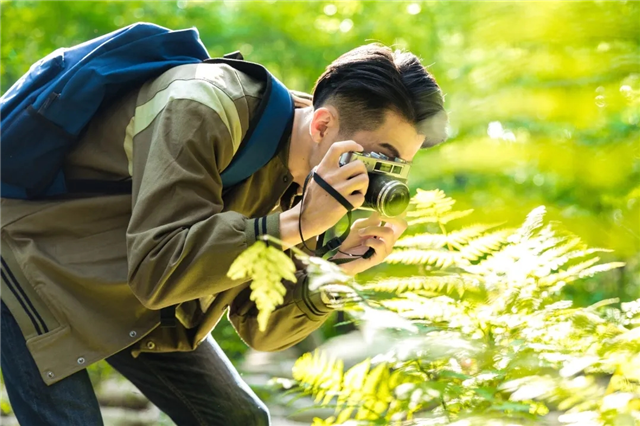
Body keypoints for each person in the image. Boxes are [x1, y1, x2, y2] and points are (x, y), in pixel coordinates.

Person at [0, 42, 447, 425]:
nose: (377, 179)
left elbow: (260, 328)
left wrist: (336, 270)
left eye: (395, 167)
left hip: (123, 281)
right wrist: (299, 223)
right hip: (29, 259)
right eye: (376, 157)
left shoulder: (308, 182)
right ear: (323, 125)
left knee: (240, 420)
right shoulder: (200, 105)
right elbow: (160, 269)